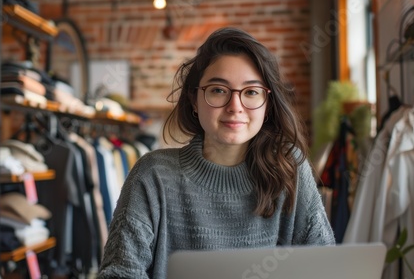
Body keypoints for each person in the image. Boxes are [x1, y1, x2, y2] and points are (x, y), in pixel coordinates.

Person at [98, 27, 335, 279]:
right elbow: (120, 273)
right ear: (194, 100)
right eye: (218, 90)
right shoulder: (153, 176)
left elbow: (324, 268)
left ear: (267, 105)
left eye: (251, 92)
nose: (235, 107)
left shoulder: (290, 169)